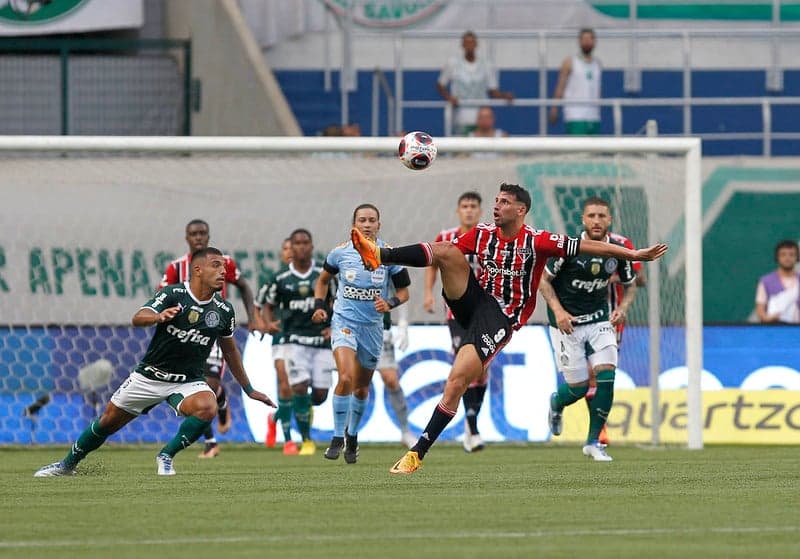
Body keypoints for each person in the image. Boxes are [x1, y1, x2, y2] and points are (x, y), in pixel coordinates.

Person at [349, 183, 667, 474]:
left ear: (520, 210)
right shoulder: (484, 233)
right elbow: (443, 256)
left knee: (456, 381)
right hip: (472, 300)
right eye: (497, 201)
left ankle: (417, 452)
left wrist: (633, 254)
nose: (496, 206)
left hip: (502, 317)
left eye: (504, 202)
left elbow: (589, 247)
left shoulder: (538, 240)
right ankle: (381, 255)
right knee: (447, 250)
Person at [34, 247, 276, 477]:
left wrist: (249, 390)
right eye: (216, 266)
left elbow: (231, 351)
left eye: (224, 267)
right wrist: (158, 316)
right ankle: (66, 465)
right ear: (198, 270)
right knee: (107, 422)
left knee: (208, 406)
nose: (223, 271)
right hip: (150, 376)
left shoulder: (224, 309)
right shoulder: (173, 294)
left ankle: (166, 455)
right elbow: (138, 317)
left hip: (187, 381)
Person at [539, 197, 639, 461]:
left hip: (599, 320)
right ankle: (556, 404)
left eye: (602, 216)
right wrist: (559, 312)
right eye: (592, 216)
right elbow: (544, 282)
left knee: (607, 374)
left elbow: (631, 284)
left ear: (610, 220)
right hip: (566, 324)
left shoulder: (618, 250)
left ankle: (594, 442)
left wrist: (623, 308)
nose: (597, 221)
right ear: (583, 219)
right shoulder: (568, 248)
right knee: (579, 388)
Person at [311, 204, 411, 464]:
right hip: (344, 322)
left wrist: (389, 303)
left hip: (373, 329)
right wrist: (320, 306)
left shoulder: (389, 256)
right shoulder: (340, 254)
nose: (367, 225)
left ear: (379, 224)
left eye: (372, 220)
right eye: (362, 220)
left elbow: (404, 293)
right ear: (353, 225)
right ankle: (336, 437)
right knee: (344, 377)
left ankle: (352, 436)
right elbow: (322, 281)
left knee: (361, 387)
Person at [158, 219, 264, 459]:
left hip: (214, 333)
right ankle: (211, 440)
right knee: (194, 393)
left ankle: (221, 404)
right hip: (187, 335)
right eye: (194, 234)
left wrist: (253, 317)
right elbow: (161, 295)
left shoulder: (222, 262)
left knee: (208, 387)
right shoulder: (177, 267)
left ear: (208, 236)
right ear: (187, 237)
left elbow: (244, 286)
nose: (198, 237)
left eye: (202, 233)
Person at [259, 229, 335, 456]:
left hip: (320, 341)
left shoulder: (324, 275)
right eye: (297, 244)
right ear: (291, 248)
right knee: (295, 386)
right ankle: (305, 440)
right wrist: (267, 323)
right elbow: (265, 303)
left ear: (311, 246)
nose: (301, 247)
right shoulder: (281, 278)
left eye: (305, 243)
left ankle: (279, 415)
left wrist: (333, 325)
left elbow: (336, 301)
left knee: (320, 396)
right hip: (292, 341)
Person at [423, 191, 487, 453]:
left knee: (482, 369)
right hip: (458, 312)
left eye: (473, 206)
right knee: (466, 364)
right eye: (465, 206)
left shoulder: (490, 236)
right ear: (458, 211)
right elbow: (432, 264)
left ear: (480, 211)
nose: (469, 211)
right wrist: (428, 293)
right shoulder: (446, 237)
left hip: (486, 312)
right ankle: (472, 425)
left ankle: (471, 425)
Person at [257, 237, 300, 454]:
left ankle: (274, 418)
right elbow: (258, 304)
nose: (290, 251)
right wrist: (266, 324)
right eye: (286, 248)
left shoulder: (314, 278)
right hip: (281, 338)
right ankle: (289, 440)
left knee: (302, 391)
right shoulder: (275, 279)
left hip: (306, 340)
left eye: (294, 248)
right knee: (284, 384)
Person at [437, 31, 513, 136]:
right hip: (462, 114)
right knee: (462, 146)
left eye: (472, 42)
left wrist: (504, 96)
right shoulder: (453, 63)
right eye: (466, 43)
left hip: (481, 115)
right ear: (462, 45)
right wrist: (449, 97)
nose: (469, 45)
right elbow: (440, 85)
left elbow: (493, 91)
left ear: (476, 44)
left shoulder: (486, 64)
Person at [377, 304, 416, 449]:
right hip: (353, 330)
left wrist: (403, 324)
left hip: (380, 330)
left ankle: (406, 431)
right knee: (356, 384)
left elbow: (402, 291)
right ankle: (345, 434)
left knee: (391, 380)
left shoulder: (387, 279)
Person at [549, 28, 602, 135]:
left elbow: (598, 89)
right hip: (575, 115)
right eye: (584, 39)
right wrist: (554, 108)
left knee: (595, 151)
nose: (587, 42)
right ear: (579, 41)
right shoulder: (570, 62)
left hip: (593, 116)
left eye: (590, 39)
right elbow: (560, 86)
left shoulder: (598, 64)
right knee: (578, 150)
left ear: (594, 41)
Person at [755, 239, 800, 323]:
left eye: (791, 254)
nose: (787, 258)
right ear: (777, 257)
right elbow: (760, 309)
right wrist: (767, 319)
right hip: (775, 330)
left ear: (797, 257)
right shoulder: (765, 281)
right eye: (783, 254)